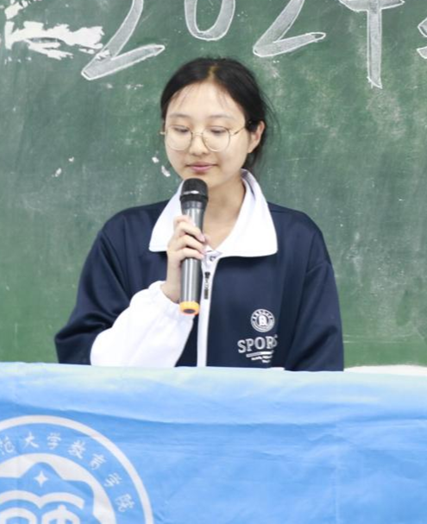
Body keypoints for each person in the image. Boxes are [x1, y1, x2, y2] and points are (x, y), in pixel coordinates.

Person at [55, 57, 343, 371]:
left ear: (254, 134)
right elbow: (86, 369)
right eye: (181, 129)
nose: (197, 147)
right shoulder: (125, 236)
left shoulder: (296, 240)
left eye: (217, 130)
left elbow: (319, 376)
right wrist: (167, 299)